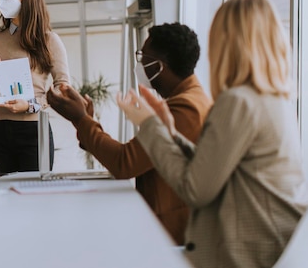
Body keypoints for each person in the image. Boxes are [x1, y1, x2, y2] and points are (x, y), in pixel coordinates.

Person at [117, 0, 308, 268]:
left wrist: (149, 126)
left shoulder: (238, 101)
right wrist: (170, 134)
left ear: (227, 44)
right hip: (277, 249)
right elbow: (222, 168)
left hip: (248, 256)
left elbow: (195, 189)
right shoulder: (275, 100)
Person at [47, 22, 212, 245]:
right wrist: (86, 121)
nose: (141, 62)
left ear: (158, 66)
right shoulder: (191, 99)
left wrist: (81, 119)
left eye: (143, 56)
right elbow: (132, 156)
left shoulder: (185, 109)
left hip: (173, 236)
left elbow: (125, 162)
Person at [0, 0, 69, 175]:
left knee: (34, 196)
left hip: (32, 129)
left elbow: (62, 87)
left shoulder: (49, 39)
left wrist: (31, 105)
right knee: (2, 195)